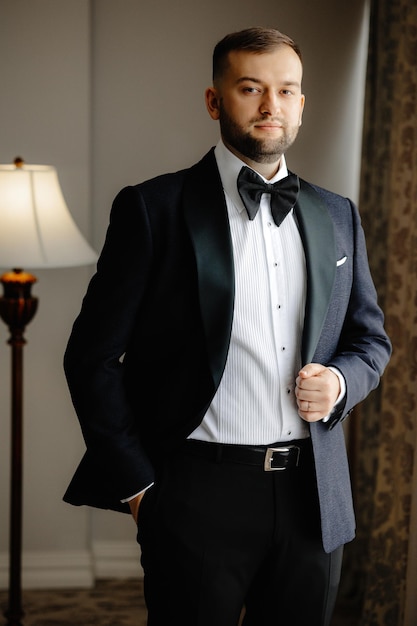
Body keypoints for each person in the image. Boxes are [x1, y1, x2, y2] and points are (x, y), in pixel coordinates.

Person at [63, 27, 391, 626]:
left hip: (312, 497)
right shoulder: (151, 209)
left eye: (287, 90)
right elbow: (90, 359)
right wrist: (139, 491)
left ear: (301, 103)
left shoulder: (338, 214)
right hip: (195, 493)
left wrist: (342, 383)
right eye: (251, 88)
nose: (272, 106)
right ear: (215, 101)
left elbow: (371, 341)